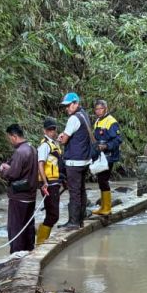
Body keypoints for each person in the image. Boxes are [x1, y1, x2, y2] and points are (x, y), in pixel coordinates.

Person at [0, 123, 40, 253]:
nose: (9, 141)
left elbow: (13, 174)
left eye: (9, 138)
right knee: (28, 227)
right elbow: (24, 170)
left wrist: (2, 171)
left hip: (19, 196)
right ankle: (29, 251)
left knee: (16, 228)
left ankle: (16, 255)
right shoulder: (32, 148)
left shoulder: (20, 152)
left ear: (14, 136)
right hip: (31, 195)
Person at [56, 92, 93, 228]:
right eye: (65, 106)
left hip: (74, 161)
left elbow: (64, 140)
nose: (67, 108)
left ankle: (74, 222)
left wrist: (61, 138)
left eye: (68, 105)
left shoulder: (73, 119)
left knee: (74, 192)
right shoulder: (84, 115)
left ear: (76, 103)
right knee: (81, 190)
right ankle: (81, 217)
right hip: (84, 160)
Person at [90, 99, 122, 216]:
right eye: (96, 109)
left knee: (104, 180)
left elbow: (118, 140)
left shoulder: (111, 121)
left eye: (101, 109)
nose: (98, 111)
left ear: (106, 109)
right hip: (100, 155)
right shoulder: (98, 121)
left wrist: (106, 146)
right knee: (101, 180)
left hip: (109, 156)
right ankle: (103, 206)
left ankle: (107, 207)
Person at [35, 117, 63, 245]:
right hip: (48, 183)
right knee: (53, 215)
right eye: (49, 129)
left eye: (53, 129)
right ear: (44, 131)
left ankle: (41, 237)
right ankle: (40, 241)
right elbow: (40, 164)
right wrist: (44, 182)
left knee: (53, 214)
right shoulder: (44, 146)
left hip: (55, 182)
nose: (52, 131)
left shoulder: (54, 144)